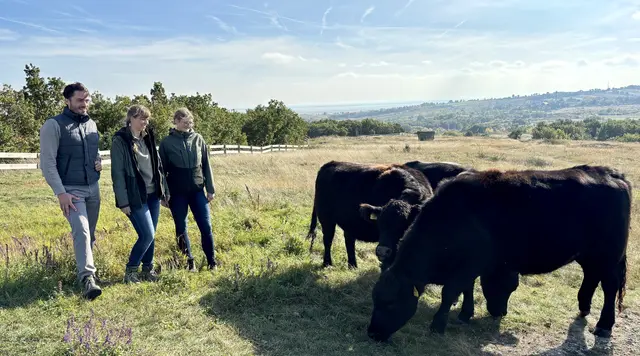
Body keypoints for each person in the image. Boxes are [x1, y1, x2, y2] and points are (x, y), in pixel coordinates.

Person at [39, 82, 103, 300]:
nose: (84, 104)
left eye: (87, 100)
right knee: (82, 230)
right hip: (71, 190)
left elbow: (93, 152)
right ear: (67, 101)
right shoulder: (53, 125)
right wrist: (60, 193)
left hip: (93, 188)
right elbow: (47, 163)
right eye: (79, 100)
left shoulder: (92, 124)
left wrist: (98, 162)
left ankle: (89, 268)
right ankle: (87, 278)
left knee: (89, 233)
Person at [110, 104, 169, 283]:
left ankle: (147, 270)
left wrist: (163, 191)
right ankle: (131, 271)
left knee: (151, 234)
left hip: (153, 194)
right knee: (147, 234)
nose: (145, 122)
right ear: (131, 119)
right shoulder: (120, 141)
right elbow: (117, 174)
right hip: (135, 196)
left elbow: (158, 165)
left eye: (147, 119)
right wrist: (123, 202)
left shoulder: (148, 137)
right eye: (142, 118)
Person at [159, 107, 217, 272]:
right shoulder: (166, 143)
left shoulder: (198, 139)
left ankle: (212, 262)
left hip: (197, 191)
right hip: (177, 193)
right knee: (181, 227)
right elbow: (161, 171)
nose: (188, 125)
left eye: (190, 122)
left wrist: (210, 189)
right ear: (175, 122)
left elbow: (206, 164)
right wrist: (164, 194)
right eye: (184, 122)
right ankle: (188, 262)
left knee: (206, 226)